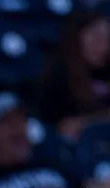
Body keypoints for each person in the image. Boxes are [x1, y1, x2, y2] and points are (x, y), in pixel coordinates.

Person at [39, 11, 110, 142]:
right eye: (96, 37)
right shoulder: (56, 76)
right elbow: (64, 127)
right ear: (76, 37)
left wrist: (87, 122)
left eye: (107, 40)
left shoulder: (105, 73)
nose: (103, 46)